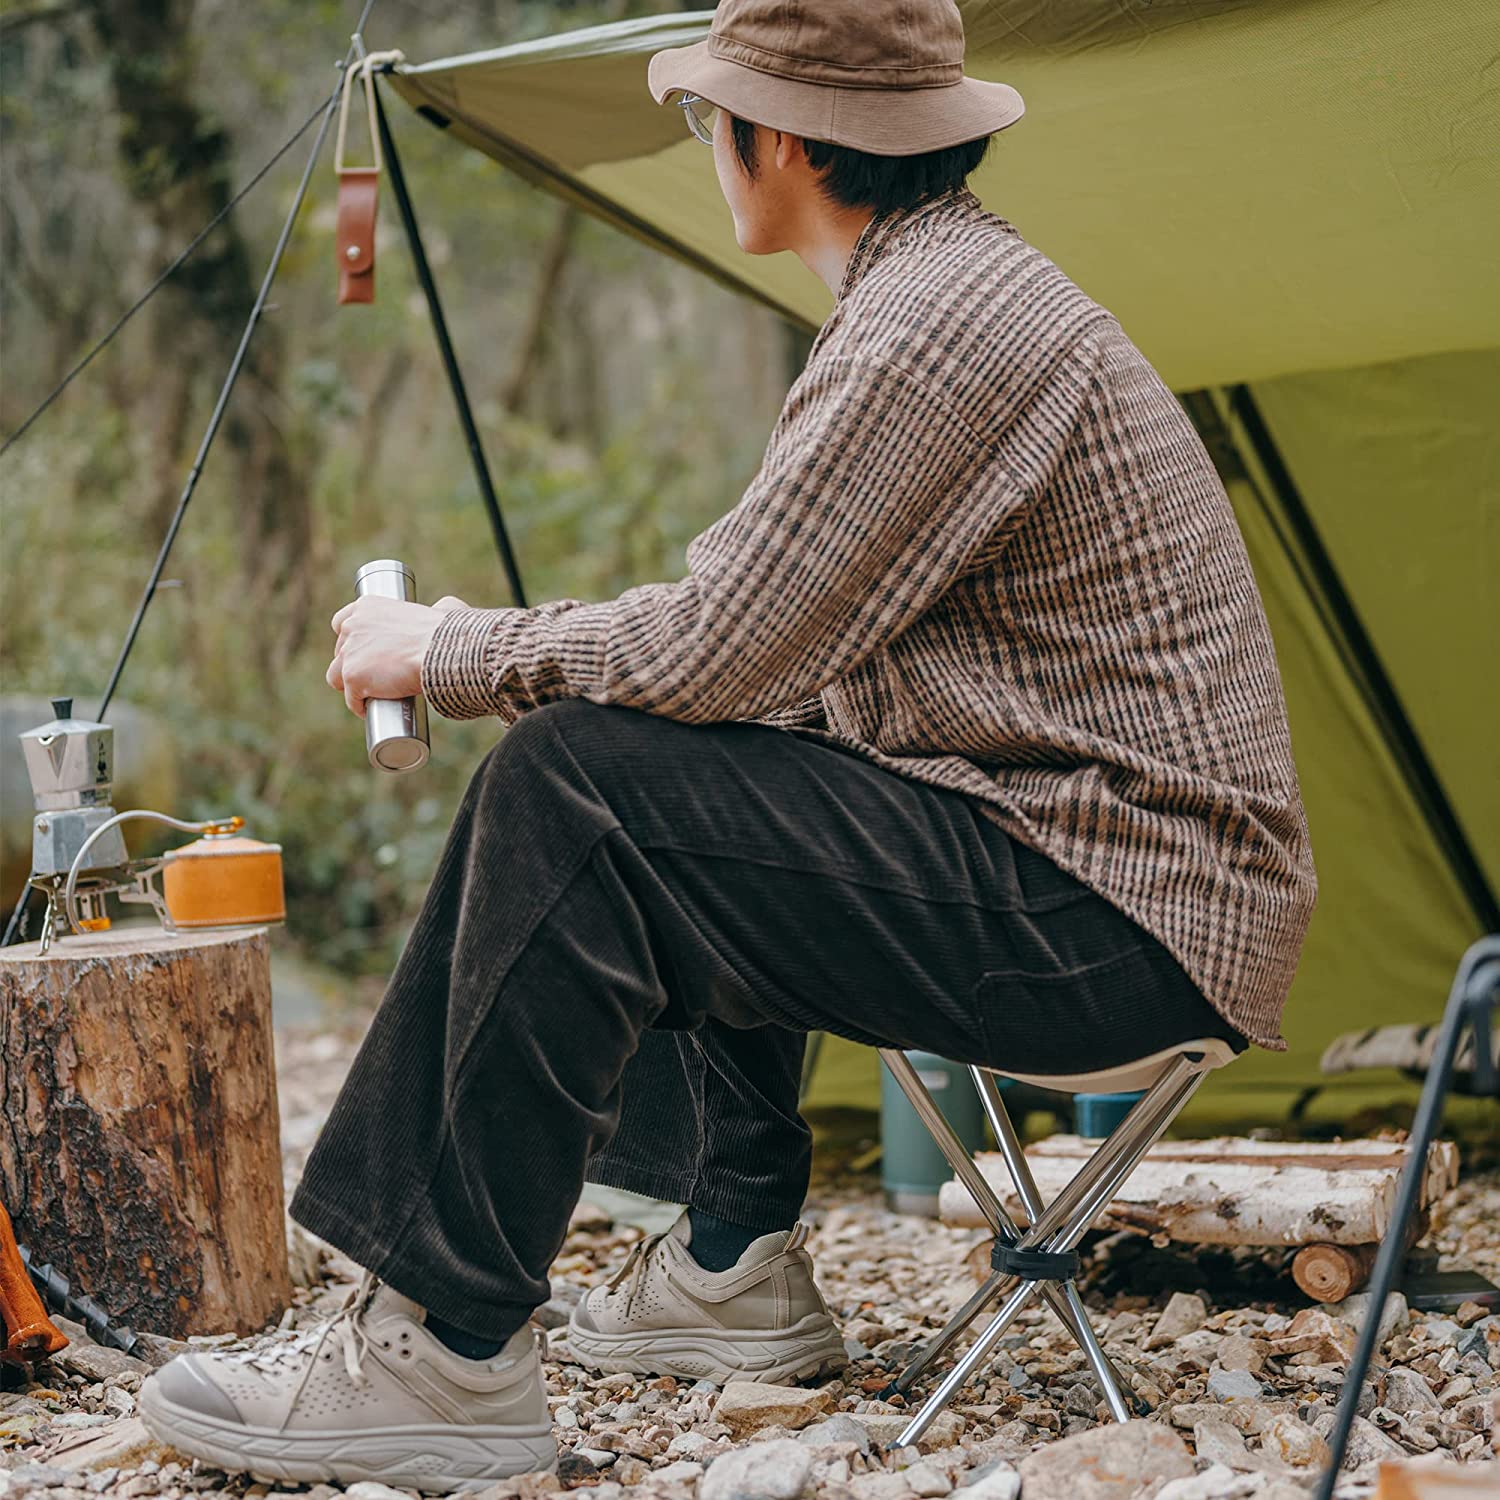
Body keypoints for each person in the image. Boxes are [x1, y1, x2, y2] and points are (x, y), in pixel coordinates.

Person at [138, 0, 1316, 1486]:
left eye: (712, 120)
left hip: (1118, 912)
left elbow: (709, 644)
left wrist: (447, 652)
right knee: (693, 764)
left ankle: (438, 1351)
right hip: (1104, 883)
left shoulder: (933, 338)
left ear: (789, 141)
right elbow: (749, 670)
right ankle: (729, 1260)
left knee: (581, 785)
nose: (709, 146)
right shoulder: (938, 295)